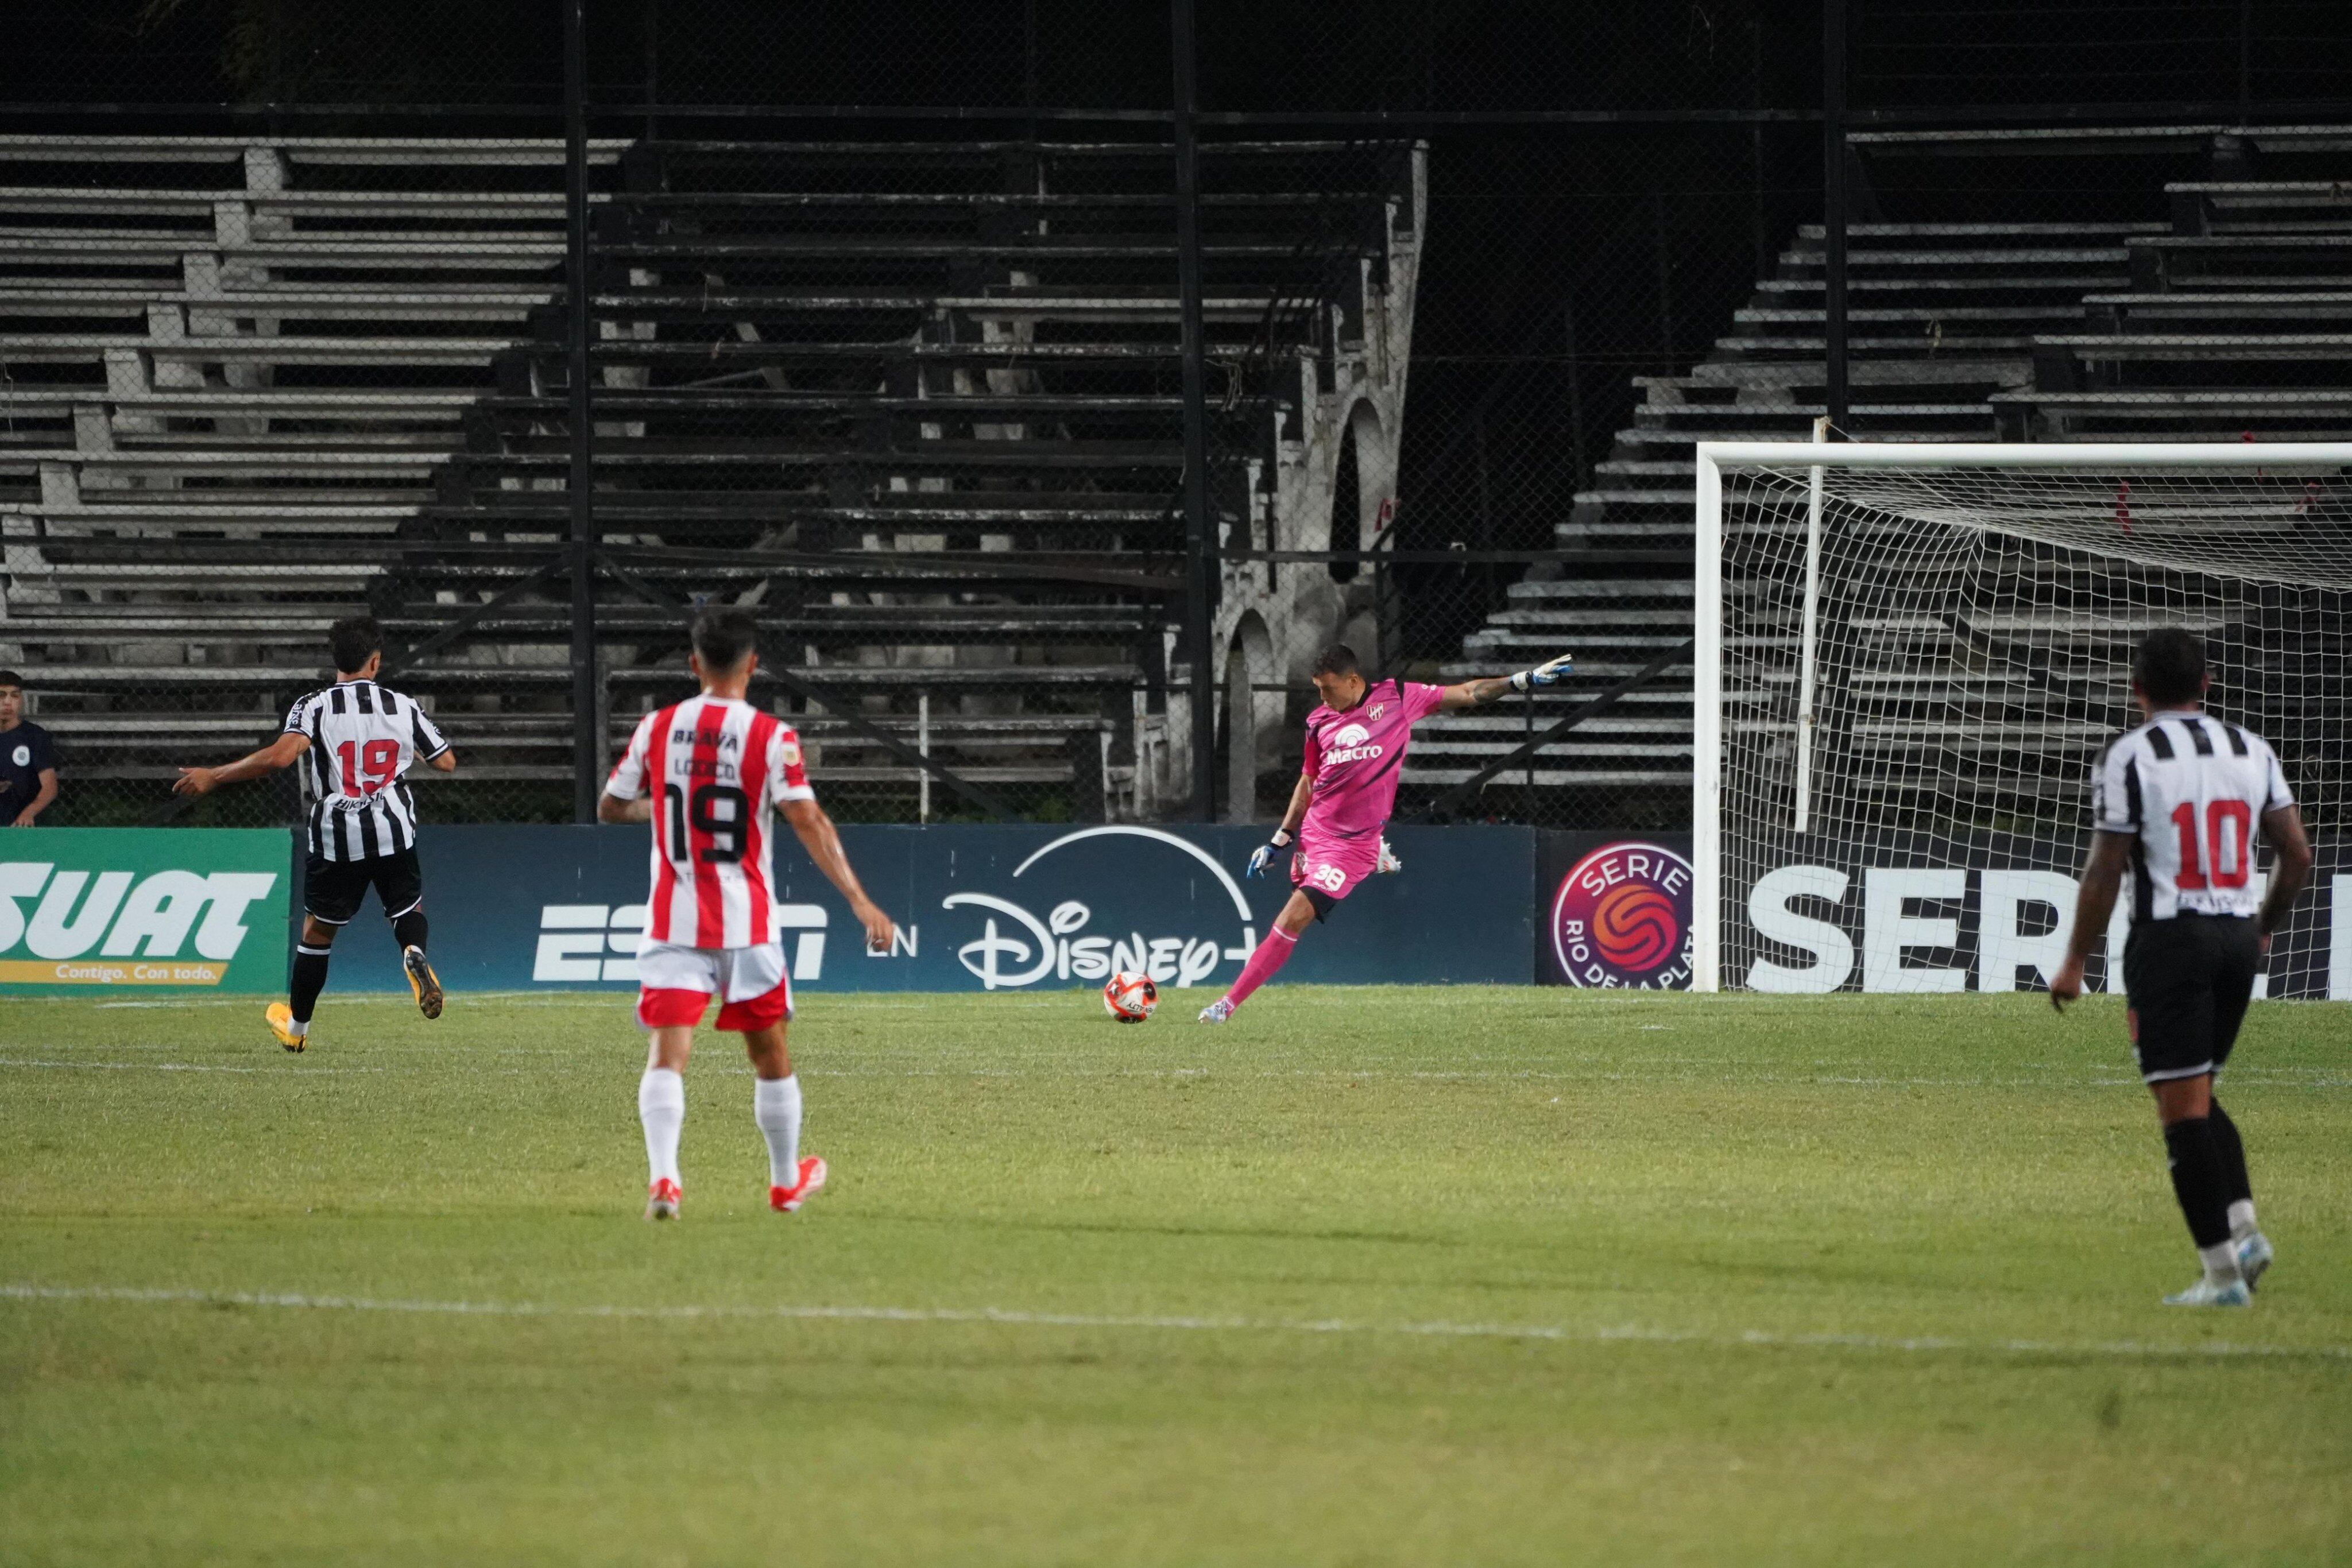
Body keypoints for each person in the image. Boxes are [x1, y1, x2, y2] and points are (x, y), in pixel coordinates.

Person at [599, 607, 896, 1221]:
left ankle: (665, 1181)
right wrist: (859, 899)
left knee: (667, 1055)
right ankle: (785, 1184)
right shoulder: (771, 737)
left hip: (673, 922)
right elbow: (808, 821)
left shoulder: (657, 727)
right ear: (753, 665)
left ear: (693, 664)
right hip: (747, 926)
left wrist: (661, 814)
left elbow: (611, 806)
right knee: (771, 1055)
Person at [2050, 628, 2312, 1307]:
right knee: (2198, 1091)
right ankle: (2244, 1230)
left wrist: (2075, 958)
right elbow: (2297, 854)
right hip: (2233, 937)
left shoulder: (2128, 756)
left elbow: (2107, 866)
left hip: (2171, 941)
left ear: (2135, 689)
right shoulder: (2250, 748)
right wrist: (2261, 929)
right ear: (2207, 685)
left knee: (2181, 1112)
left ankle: (2223, 1275)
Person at [1198, 642, 1573, 1023]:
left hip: (1349, 847)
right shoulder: (1317, 722)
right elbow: (1309, 781)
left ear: (1354, 680)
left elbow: (1466, 693)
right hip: (1316, 833)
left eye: (1328, 688)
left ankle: (1227, 1004)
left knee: (1294, 915)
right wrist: (1280, 838)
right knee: (1297, 900)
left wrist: (1519, 680)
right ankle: (1375, 848)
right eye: (1318, 689)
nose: (1323, 697)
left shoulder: (1397, 697)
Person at [174, 617, 455, 1051]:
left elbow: (279, 758)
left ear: (335, 660)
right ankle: (412, 951)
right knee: (405, 907)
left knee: (318, 933)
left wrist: (214, 774)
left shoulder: (315, 705)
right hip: (393, 827)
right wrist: (409, 746)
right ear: (376, 661)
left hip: (337, 836)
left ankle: (298, 1030)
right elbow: (447, 762)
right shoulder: (403, 706)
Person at [0, 671, 60, 827]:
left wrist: (29, 812)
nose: (8, 702)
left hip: (23, 823)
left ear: (21, 699)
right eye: (1, 695)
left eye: (14, 696)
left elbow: (50, 787)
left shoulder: (35, 736)